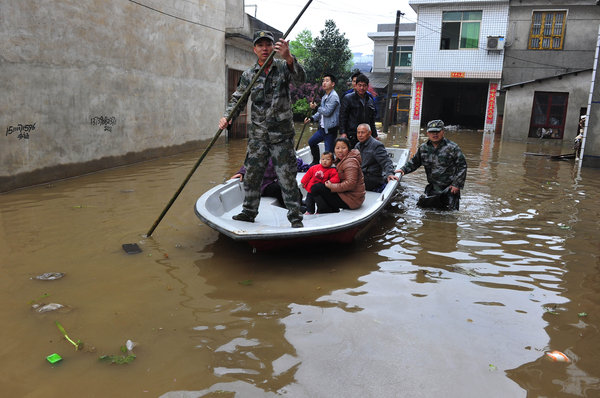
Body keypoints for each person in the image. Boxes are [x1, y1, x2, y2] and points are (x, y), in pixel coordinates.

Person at [219, 30, 305, 228]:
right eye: (260, 45)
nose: (265, 48)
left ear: (274, 47)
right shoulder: (249, 74)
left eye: (268, 44)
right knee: (252, 175)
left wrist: (289, 58)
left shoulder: (283, 67)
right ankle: (249, 212)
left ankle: (295, 216)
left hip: (281, 135)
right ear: (254, 49)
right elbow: (238, 99)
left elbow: (301, 80)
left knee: (286, 177)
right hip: (258, 135)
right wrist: (227, 117)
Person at [396, 119, 467, 210]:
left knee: (450, 216)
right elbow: (414, 162)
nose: (435, 134)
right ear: (427, 133)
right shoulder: (423, 148)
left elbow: (462, 166)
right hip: (433, 188)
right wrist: (402, 170)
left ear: (443, 132)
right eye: (432, 132)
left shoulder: (452, 148)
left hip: (450, 189)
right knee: (428, 213)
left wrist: (457, 184)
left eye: (437, 131)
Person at [310, 137, 365, 213]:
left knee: (315, 188)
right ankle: (329, 208)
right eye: (337, 148)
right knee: (316, 183)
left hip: (352, 199)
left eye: (343, 148)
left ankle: (325, 210)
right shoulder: (340, 160)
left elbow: (350, 184)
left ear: (348, 149)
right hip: (346, 194)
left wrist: (332, 186)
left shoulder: (350, 163)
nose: (340, 151)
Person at [231, 157, 310, 207]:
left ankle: (300, 202)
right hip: (263, 185)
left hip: (274, 180)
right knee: (279, 189)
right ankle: (290, 207)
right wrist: (241, 173)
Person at [304, 73, 340, 165]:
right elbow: (320, 113)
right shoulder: (325, 96)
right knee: (311, 142)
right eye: (323, 81)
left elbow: (327, 112)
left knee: (328, 154)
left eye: (327, 81)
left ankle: (330, 170)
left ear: (333, 84)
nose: (324, 83)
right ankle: (315, 162)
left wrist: (316, 107)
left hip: (330, 131)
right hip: (322, 129)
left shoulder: (334, 97)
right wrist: (311, 119)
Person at [355, 123, 398, 192]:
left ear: (369, 133)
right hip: (362, 175)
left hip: (373, 178)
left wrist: (390, 173)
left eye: (362, 133)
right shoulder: (357, 145)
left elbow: (386, 161)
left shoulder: (376, 145)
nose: (360, 135)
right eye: (358, 133)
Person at [339, 73, 377, 148]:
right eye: (360, 85)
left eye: (364, 85)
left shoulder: (370, 100)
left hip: (366, 135)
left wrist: (375, 135)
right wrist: (343, 132)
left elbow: (372, 120)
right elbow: (342, 117)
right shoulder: (348, 98)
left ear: (367, 86)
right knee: (352, 155)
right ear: (355, 86)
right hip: (352, 133)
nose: (362, 88)